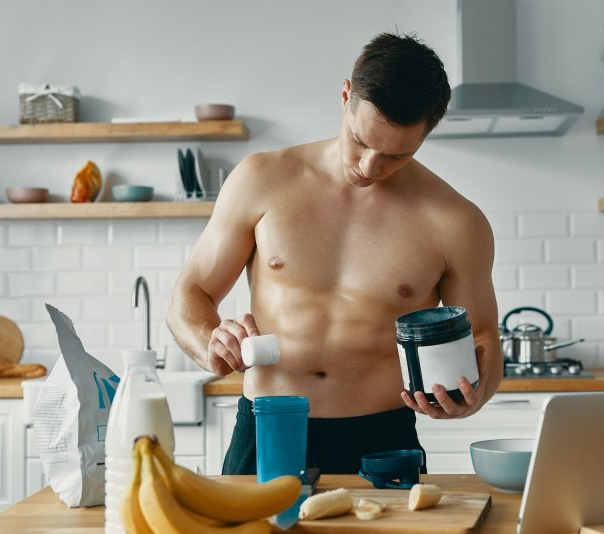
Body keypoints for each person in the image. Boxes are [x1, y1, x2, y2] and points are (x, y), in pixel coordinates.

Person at [167, 31, 503, 475]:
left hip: (382, 438)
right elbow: (188, 295)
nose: (368, 168)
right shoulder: (262, 179)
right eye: (361, 142)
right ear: (346, 95)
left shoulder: (456, 222)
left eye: (395, 156)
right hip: (269, 425)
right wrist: (210, 343)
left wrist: (473, 396)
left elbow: (483, 338)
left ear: (426, 134)